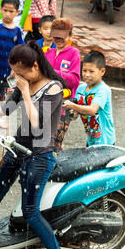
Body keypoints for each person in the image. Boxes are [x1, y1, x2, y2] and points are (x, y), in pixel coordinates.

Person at [0, 41, 70, 249]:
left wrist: (24, 91)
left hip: (40, 156)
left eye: (19, 72)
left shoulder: (53, 88)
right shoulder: (25, 84)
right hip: (17, 149)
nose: (15, 76)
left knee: (30, 212)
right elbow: (5, 109)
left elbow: (37, 123)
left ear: (34, 66)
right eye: (14, 71)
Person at [63, 50, 116, 146]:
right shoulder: (81, 88)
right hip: (91, 139)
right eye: (84, 70)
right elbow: (76, 114)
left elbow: (92, 110)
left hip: (105, 142)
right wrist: (72, 113)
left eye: (91, 71)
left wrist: (72, 105)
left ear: (102, 71)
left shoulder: (103, 89)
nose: (87, 75)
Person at [45, 18, 81, 152]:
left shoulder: (74, 53)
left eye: (62, 37)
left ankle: (54, 169)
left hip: (63, 106)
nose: (59, 40)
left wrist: (53, 73)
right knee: (40, 139)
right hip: (45, 103)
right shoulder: (47, 53)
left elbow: (74, 80)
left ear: (70, 36)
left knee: (55, 143)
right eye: (56, 37)